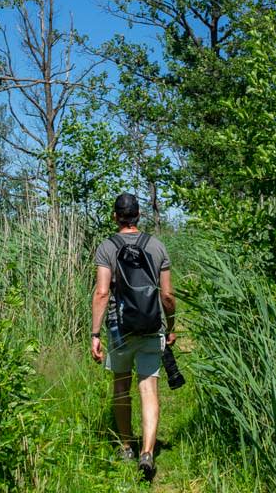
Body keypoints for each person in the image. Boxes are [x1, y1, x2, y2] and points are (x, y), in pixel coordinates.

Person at [90, 192, 176, 482]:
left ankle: (126, 446)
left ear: (115, 216)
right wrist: (171, 325)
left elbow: (102, 293)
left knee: (121, 385)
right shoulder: (157, 246)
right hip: (152, 325)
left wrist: (94, 333)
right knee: (148, 388)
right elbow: (167, 296)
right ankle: (148, 452)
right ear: (139, 215)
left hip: (119, 326)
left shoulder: (107, 247)